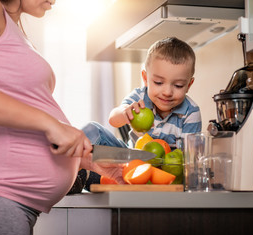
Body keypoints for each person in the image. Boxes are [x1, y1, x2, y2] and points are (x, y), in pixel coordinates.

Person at [0, 0, 124, 235]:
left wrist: (84, 160)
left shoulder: (12, 26)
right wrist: (52, 124)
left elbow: (17, 119)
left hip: (2, 204)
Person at [80, 37, 202, 188]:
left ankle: (89, 178)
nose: (167, 92)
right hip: (131, 160)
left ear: (189, 84)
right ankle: (75, 172)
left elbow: (189, 160)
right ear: (145, 78)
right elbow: (113, 120)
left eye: (178, 85)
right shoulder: (139, 97)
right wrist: (125, 113)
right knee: (92, 130)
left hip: (164, 173)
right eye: (158, 83)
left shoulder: (191, 112)